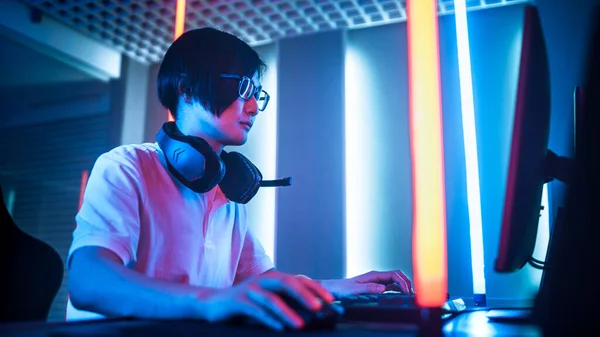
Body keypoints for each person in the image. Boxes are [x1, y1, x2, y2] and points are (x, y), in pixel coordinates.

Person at [66, 27, 413, 331]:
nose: (253, 107)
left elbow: (261, 281)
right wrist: (209, 302)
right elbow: (88, 279)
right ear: (186, 89)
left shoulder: (226, 193)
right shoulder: (126, 168)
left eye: (257, 95)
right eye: (244, 87)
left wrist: (338, 286)